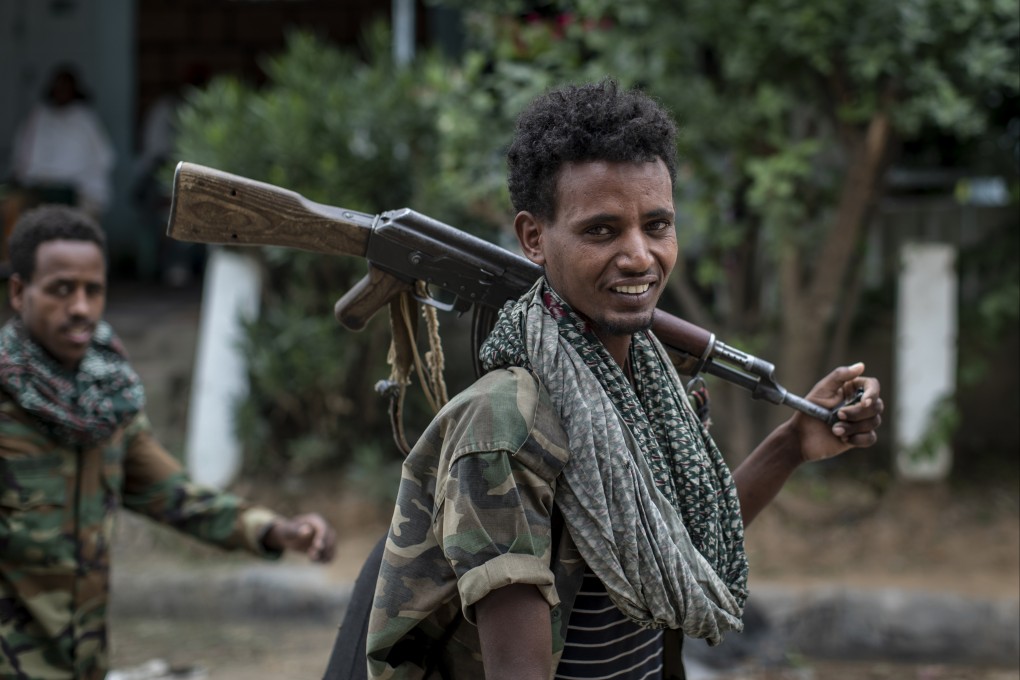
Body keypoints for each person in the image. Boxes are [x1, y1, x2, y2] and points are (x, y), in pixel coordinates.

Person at [364, 80, 884, 679]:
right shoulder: (503, 426)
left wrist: (791, 444)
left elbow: (671, 545)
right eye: (601, 230)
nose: (639, 255)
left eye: (657, 225)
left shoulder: (653, 385)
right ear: (534, 237)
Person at [0, 205, 338, 680]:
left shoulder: (106, 406)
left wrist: (274, 530)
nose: (80, 308)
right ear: (19, 292)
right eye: (61, 289)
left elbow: (179, 496)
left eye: (93, 290)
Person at [7, 66, 115, 221]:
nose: (62, 91)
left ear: (75, 90)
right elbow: (22, 157)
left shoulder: (85, 119)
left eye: (66, 87)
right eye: (59, 86)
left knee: (82, 221)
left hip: (79, 189)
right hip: (40, 186)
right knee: (14, 207)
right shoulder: (38, 116)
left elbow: (104, 159)